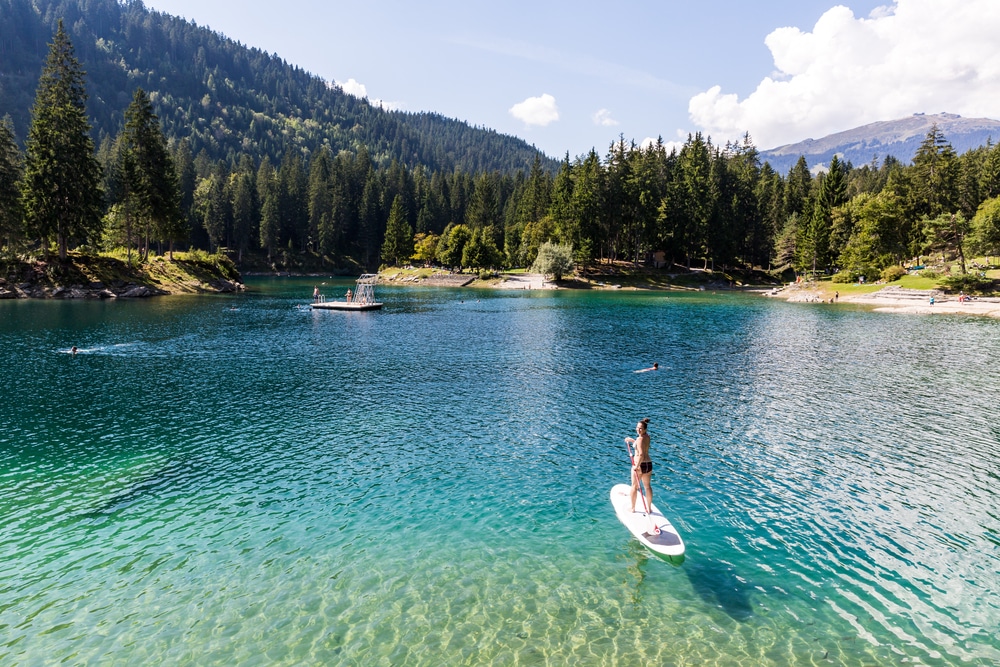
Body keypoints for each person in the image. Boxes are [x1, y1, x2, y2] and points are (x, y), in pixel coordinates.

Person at [625, 418, 653, 513]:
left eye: (640, 428)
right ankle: (649, 508)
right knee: (647, 486)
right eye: (637, 427)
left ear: (645, 429)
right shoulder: (647, 437)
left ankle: (633, 508)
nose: (638, 429)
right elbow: (641, 445)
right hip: (648, 464)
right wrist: (633, 441)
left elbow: (640, 453)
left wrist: (636, 467)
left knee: (634, 487)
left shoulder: (640, 439)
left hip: (639, 465)